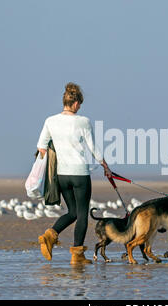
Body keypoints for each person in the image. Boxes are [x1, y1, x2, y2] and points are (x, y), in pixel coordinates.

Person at [37, 82, 112, 264]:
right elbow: (93, 148)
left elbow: (41, 148)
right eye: (80, 104)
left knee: (72, 212)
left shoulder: (50, 121)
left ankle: (50, 235)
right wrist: (105, 167)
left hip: (61, 175)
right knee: (82, 214)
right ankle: (77, 256)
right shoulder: (83, 122)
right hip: (79, 174)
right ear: (76, 103)